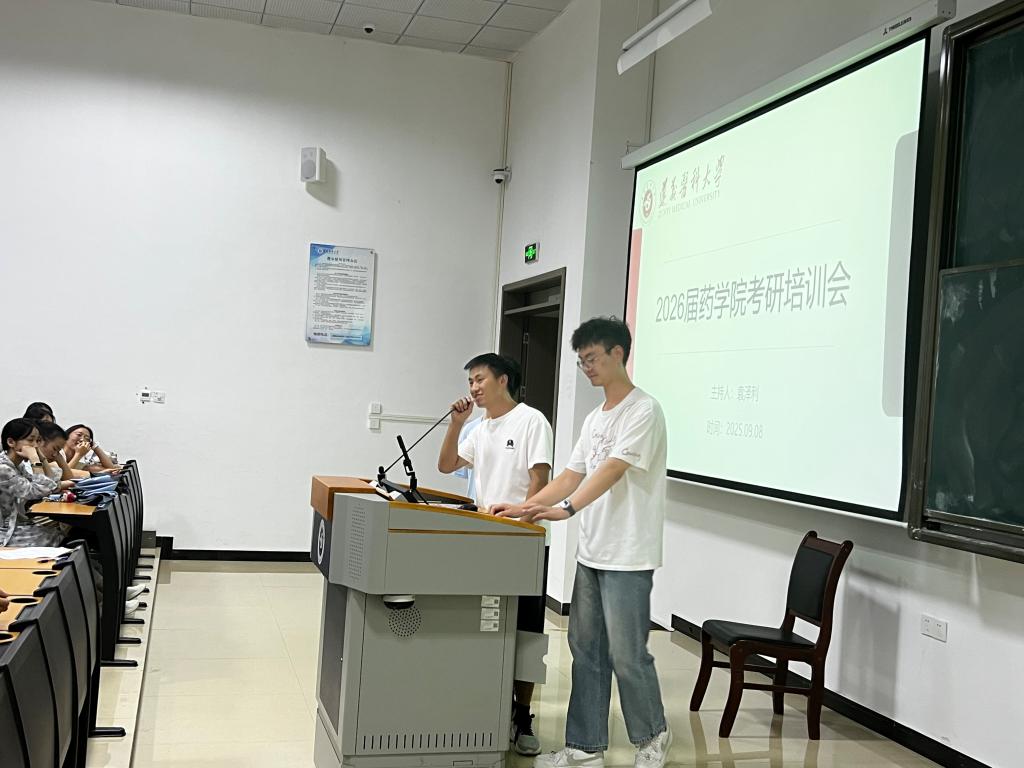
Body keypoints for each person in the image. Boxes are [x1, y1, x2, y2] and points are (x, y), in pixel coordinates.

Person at [495, 317, 671, 768]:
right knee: (586, 651)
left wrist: (568, 509)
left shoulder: (643, 410)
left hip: (628, 554)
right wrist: (526, 506)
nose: (587, 367)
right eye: (581, 361)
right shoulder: (595, 418)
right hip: (592, 553)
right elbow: (571, 475)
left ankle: (651, 736)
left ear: (617, 353)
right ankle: (585, 746)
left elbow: (612, 469)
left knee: (627, 654)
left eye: (592, 358)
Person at [437, 353, 553, 756]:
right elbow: (446, 465)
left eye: (480, 379)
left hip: (524, 541)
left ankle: (523, 715)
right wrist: (456, 424)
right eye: (470, 381)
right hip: (486, 540)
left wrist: (521, 515)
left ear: (503, 380)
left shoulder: (531, 421)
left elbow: (541, 479)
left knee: (526, 632)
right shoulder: (480, 427)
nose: (473, 388)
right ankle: (487, 707)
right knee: (486, 625)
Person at [0, 418, 63, 547]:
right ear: (11, 442)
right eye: (30, 440)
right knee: (56, 538)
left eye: (37, 440)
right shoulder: (3, 469)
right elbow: (38, 491)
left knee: (60, 532)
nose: (35, 446)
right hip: (6, 532)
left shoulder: (17, 465)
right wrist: (34, 459)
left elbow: (52, 485)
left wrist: (42, 458)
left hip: (19, 523)